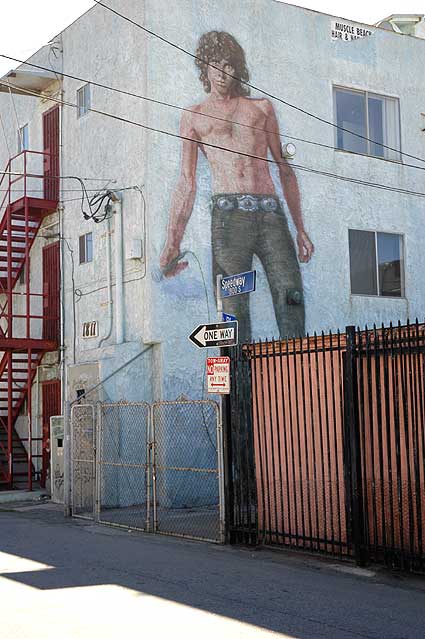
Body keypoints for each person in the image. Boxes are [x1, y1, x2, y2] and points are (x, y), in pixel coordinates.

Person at [160, 31, 314, 343]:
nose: (221, 71)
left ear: (237, 68)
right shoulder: (194, 116)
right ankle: (239, 393)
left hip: (270, 213)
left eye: (228, 64)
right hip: (229, 220)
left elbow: (284, 169)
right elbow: (186, 182)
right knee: (234, 313)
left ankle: (299, 384)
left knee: (291, 296)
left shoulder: (262, 108)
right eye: (214, 64)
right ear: (204, 68)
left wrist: (300, 228)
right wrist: (172, 243)